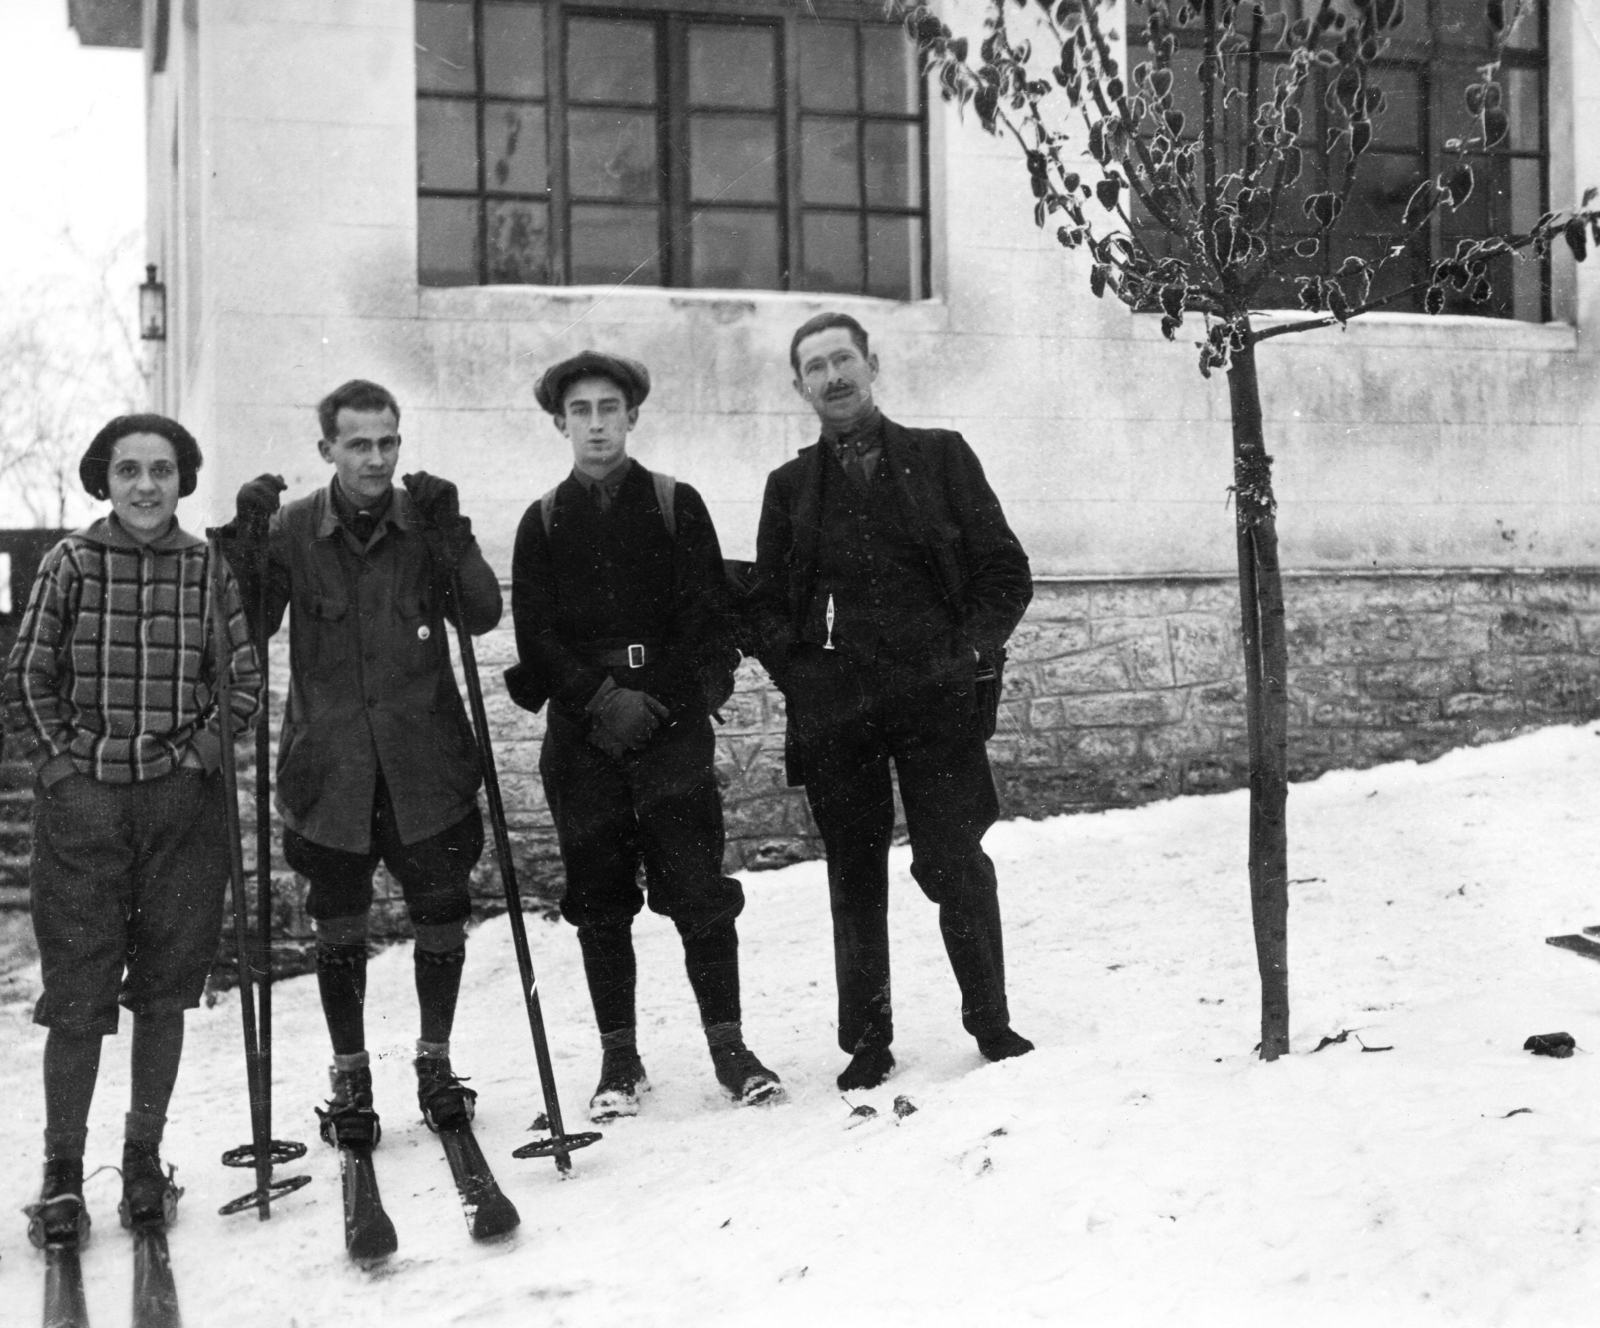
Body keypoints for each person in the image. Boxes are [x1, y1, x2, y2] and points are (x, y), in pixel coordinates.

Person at [751, 313, 1035, 1091]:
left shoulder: (941, 457)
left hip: (936, 697)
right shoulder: (789, 489)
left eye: (844, 359)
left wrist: (968, 652)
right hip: (838, 709)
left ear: (872, 364)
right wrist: (805, 677)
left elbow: (1006, 571)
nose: (833, 376)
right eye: (816, 367)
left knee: (954, 858)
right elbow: (766, 609)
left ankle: (991, 1022)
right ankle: (867, 1041)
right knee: (853, 869)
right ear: (799, 385)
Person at [2, 414, 262, 1247]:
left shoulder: (207, 567)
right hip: (85, 810)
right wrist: (60, 771)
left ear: (183, 479)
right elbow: (26, 676)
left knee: (163, 992)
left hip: (181, 810)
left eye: (161, 470)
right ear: (104, 482)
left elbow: (244, 682)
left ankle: (143, 1160)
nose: (145, 485)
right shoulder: (71, 562)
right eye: (127, 471)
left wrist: (198, 760)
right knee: (78, 998)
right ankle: (63, 1174)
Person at [221, 378, 501, 1148]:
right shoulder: (291, 529)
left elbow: (479, 613)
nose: (376, 459)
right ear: (327, 451)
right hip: (331, 771)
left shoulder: (426, 521)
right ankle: (350, 1074)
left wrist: (457, 537)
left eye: (388, 442)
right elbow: (246, 627)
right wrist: (244, 546)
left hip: (427, 766)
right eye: (358, 444)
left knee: (442, 914)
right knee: (338, 927)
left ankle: (436, 1063)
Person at [508, 350, 781, 1120]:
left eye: (610, 409)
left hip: (669, 726)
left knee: (698, 890)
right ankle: (619, 1061)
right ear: (561, 423)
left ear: (632, 416)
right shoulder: (543, 520)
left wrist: (652, 703)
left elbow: (703, 614)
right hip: (583, 734)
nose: (597, 424)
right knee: (598, 899)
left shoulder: (673, 503)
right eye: (581, 411)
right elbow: (538, 636)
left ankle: (730, 1049)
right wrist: (601, 702)